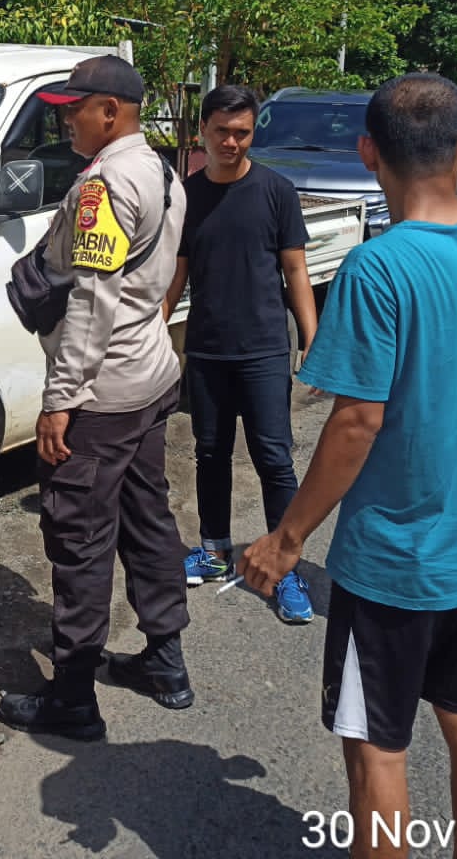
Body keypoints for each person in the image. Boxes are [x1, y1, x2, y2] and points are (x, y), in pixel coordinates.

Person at [239, 73, 457, 859]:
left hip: (395, 564)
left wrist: (286, 540)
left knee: (377, 747)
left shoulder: (378, 269)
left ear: (368, 152)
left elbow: (356, 422)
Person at [0, 54, 191, 740]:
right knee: (148, 519)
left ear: (110, 112)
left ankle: (73, 698)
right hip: (151, 378)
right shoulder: (164, 171)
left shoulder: (102, 185)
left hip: (102, 395)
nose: (66, 119)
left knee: (79, 541)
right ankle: (166, 658)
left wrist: (60, 400)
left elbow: (92, 300)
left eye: (74, 108)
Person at [162, 85, 317, 623]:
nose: (231, 141)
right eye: (222, 131)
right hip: (206, 348)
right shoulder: (187, 195)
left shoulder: (276, 191)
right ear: (202, 131)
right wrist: (152, 330)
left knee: (274, 458)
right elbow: (176, 274)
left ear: (253, 132)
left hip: (264, 349)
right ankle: (215, 550)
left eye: (242, 132)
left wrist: (311, 337)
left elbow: (295, 270)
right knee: (209, 453)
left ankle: (285, 567)